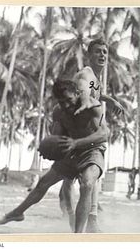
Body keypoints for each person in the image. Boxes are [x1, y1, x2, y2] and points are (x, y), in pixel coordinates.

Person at [0, 78, 109, 233]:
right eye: (62, 102)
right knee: (43, 183)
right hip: (72, 151)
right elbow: (57, 136)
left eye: (69, 100)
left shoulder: (93, 107)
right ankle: (17, 213)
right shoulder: (58, 112)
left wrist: (76, 143)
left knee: (87, 184)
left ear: (77, 93)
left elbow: (104, 134)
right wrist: (52, 149)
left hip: (92, 150)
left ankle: (78, 236)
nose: (66, 105)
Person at [59, 38, 124, 232]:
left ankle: (88, 221)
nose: (103, 55)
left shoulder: (96, 78)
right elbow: (85, 93)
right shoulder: (86, 75)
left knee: (88, 178)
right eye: (98, 51)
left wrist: (110, 99)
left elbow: (96, 93)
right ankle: (71, 215)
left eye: (105, 52)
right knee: (70, 179)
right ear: (89, 55)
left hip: (88, 136)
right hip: (74, 134)